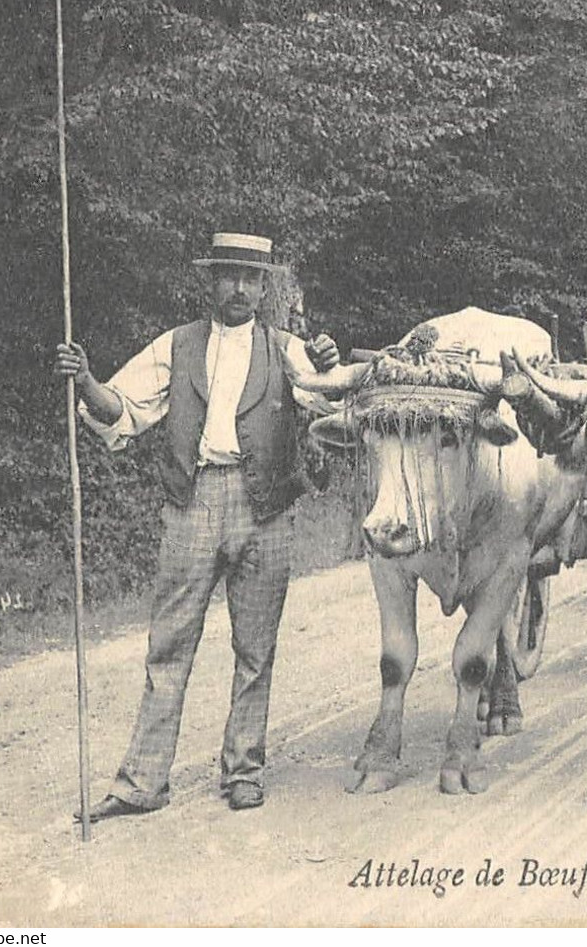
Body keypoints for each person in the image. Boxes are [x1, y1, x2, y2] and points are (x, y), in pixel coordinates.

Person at [54, 232, 343, 821]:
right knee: (168, 647)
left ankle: (243, 771)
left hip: (267, 510)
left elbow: (332, 410)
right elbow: (120, 408)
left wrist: (330, 369)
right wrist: (84, 380)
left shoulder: (288, 349)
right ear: (209, 282)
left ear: (265, 288)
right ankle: (142, 782)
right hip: (192, 504)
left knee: (255, 648)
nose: (239, 288)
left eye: (251, 278)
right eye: (229, 275)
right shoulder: (176, 346)